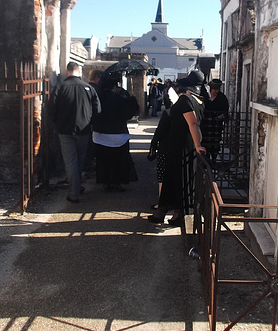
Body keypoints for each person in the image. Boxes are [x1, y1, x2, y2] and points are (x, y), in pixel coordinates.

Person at [148, 70, 206, 225]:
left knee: (173, 179)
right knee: (180, 180)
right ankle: (175, 214)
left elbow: (193, 123)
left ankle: (167, 212)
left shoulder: (186, 100)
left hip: (180, 147)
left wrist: (198, 145)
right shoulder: (199, 101)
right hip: (185, 147)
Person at [49, 61, 101, 203]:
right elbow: (97, 110)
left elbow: (51, 109)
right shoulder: (89, 88)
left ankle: (73, 192)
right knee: (80, 159)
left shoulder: (60, 87)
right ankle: (76, 187)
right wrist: (91, 123)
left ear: (67, 72)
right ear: (79, 72)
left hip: (65, 129)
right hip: (83, 129)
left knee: (71, 160)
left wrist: (57, 123)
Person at [92, 71, 139, 192]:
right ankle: (117, 182)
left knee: (103, 160)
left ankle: (106, 181)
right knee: (119, 160)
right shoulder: (122, 94)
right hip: (119, 133)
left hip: (100, 133)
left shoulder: (98, 93)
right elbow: (129, 114)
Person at [201, 78, 229, 164]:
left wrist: (221, 116)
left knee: (215, 143)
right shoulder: (204, 96)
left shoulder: (222, 98)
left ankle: (213, 161)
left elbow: (226, 111)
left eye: (217, 89)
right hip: (205, 125)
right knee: (204, 143)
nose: (216, 91)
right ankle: (205, 161)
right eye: (214, 89)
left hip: (216, 126)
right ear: (210, 88)